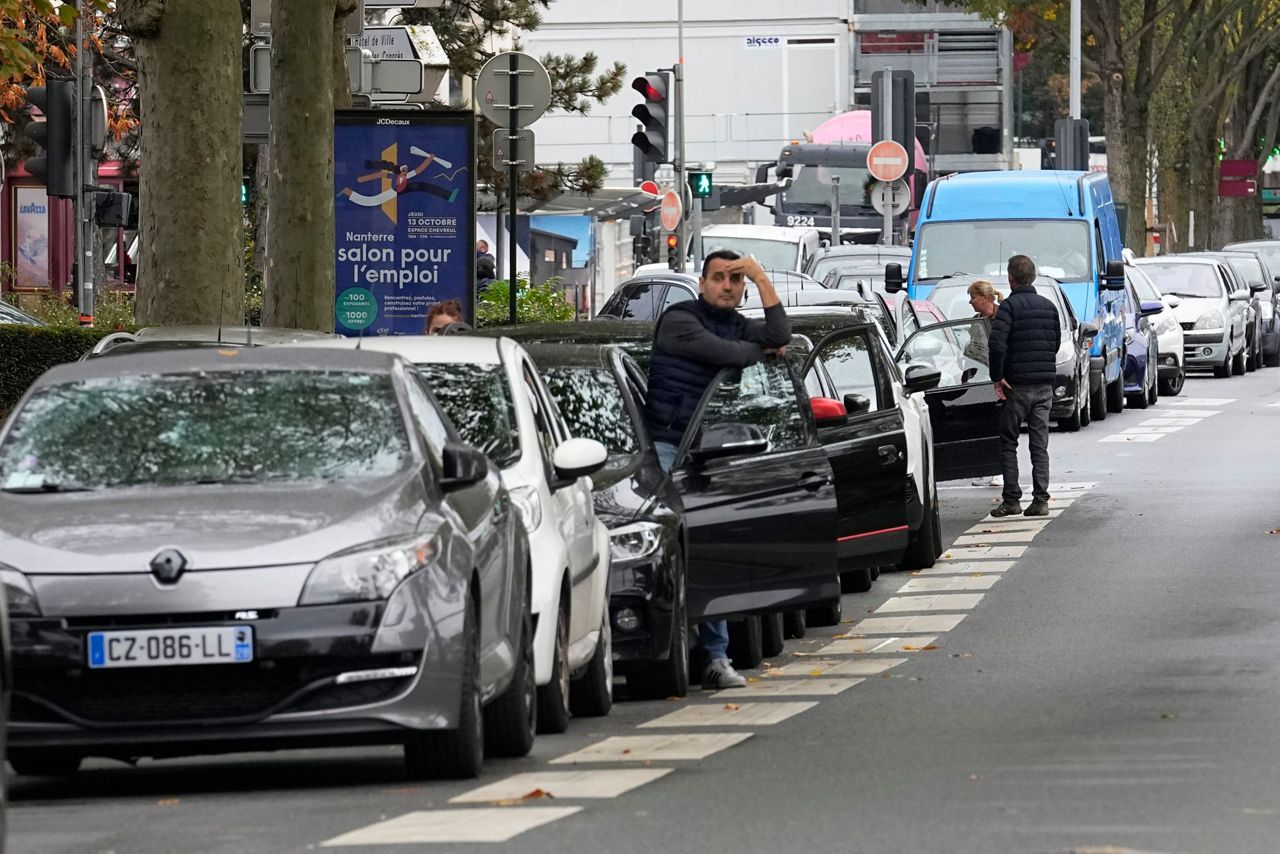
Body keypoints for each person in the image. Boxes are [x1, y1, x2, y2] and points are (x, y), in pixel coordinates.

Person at [644, 249, 790, 690]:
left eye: (736, 280)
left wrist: (762, 277)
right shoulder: (678, 319)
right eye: (720, 278)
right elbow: (726, 354)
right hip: (668, 450)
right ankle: (669, 645)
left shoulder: (738, 321)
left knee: (710, 547)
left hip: (709, 452)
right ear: (703, 282)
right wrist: (758, 349)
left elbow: (781, 331)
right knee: (672, 551)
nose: (728, 286)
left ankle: (715, 655)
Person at [987, 255, 1060, 518]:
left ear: (1010, 278)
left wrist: (998, 375)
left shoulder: (1008, 308)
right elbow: (1055, 342)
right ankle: (1040, 500)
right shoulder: (1049, 306)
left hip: (1016, 386)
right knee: (1039, 445)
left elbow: (997, 344)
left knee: (1009, 441)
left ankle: (1012, 499)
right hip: (1044, 386)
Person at [963, 279, 1001, 365]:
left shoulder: (1004, 317)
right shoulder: (975, 320)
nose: (970, 302)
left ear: (985, 297)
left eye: (973, 297)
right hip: (979, 371)